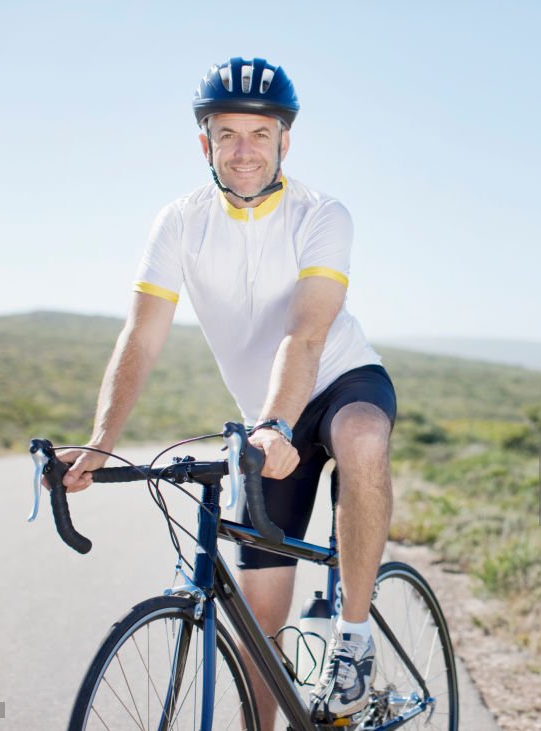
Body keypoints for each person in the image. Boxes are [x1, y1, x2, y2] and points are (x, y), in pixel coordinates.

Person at [58, 56, 396, 725]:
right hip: (263, 421)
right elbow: (142, 337)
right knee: (259, 630)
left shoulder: (321, 214)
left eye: (260, 134)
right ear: (204, 141)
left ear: (285, 142)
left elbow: (305, 334)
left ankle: (353, 641)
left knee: (360, 438)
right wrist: (101, 444)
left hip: (337, 381)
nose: (244, 150)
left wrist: (276, 420)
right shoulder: (179, 223)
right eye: (227, 134)